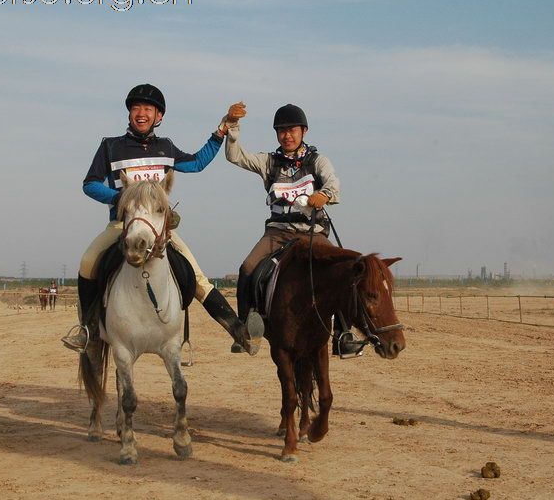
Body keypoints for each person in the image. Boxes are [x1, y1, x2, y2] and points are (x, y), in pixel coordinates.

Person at [61, 84, 263, 355]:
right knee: (88, 262)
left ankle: (238, 331)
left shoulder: (165, 147)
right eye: (136, 108)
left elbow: (196, 163)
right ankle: (88, 330)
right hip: (122, 225)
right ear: (130, 114)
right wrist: (119, 197)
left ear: (159, 116)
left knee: (199, 277)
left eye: (148, 109)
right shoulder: (110, 146)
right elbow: (90, 184)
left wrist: (221, 131)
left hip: (159, 230)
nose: (141, 113)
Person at [219, 102, 362, 356]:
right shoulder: (269, 162)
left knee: (342, 271)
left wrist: (325, 195)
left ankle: (343, 334)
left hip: (311, 233)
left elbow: (333, 183)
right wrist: (232, 125)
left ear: (304, 131)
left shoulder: (318, 161)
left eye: (292, 130)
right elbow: (234, 156)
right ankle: (244, 331)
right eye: (281, 130)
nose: (287, 135)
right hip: (277, 233)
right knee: (247, 268)